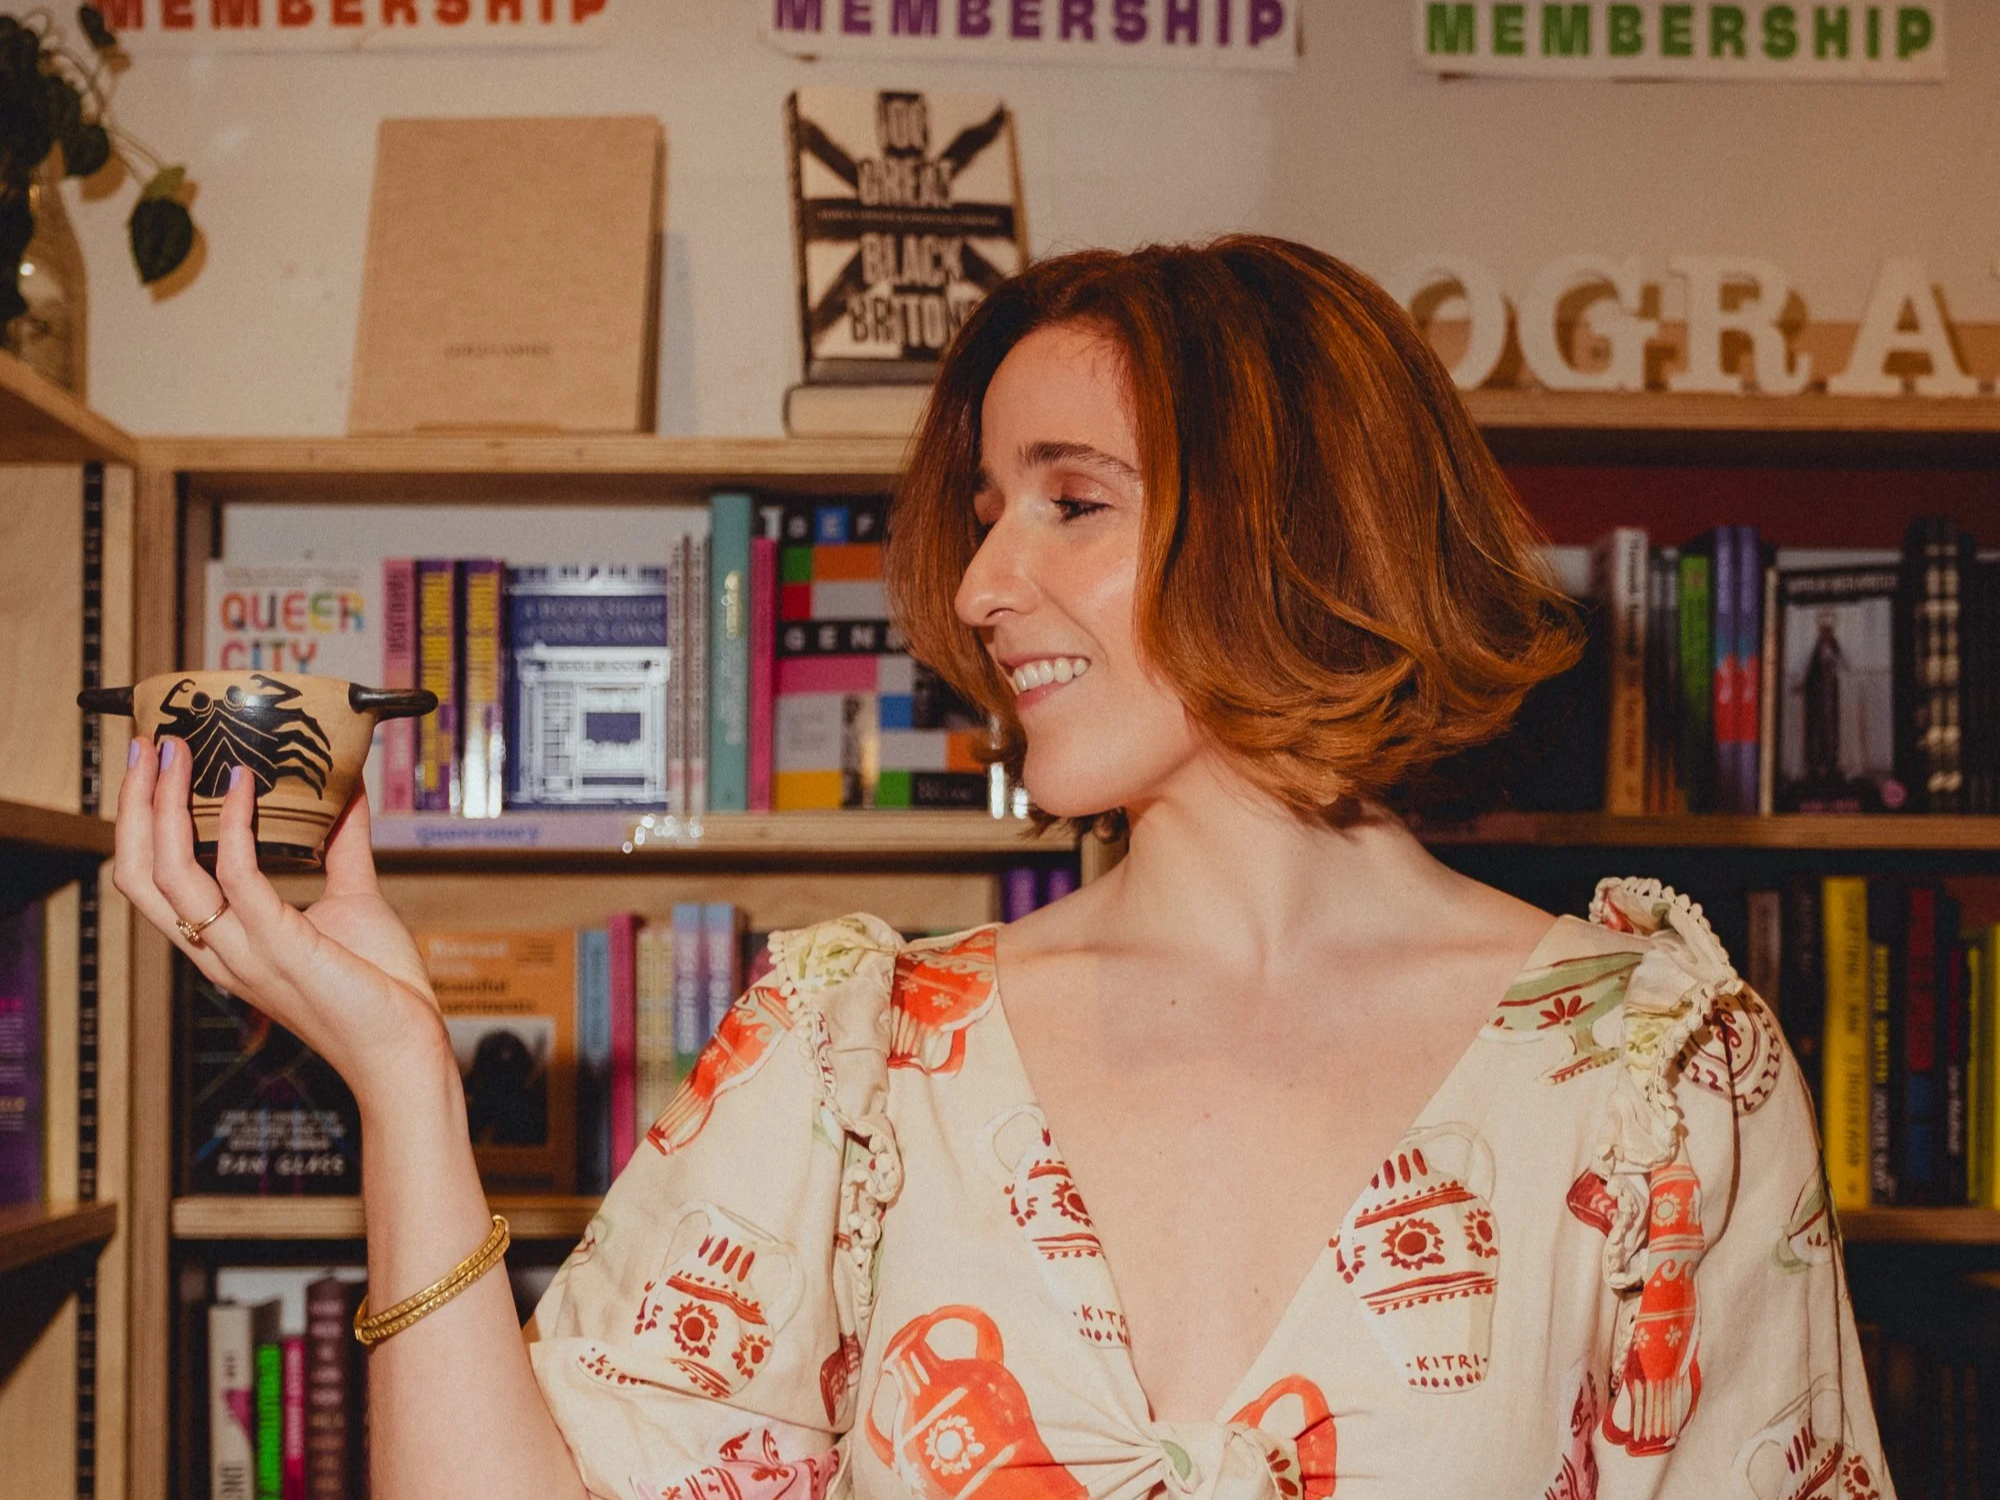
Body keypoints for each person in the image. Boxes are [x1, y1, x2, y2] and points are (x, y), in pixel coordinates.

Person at [112, 235, 1893, 1500]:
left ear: (1291, 527)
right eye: (985, 510)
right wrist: (405, 1077)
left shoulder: (1653, 1069)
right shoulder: (857, 1055)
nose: (977, 588)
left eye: (1073, 500)